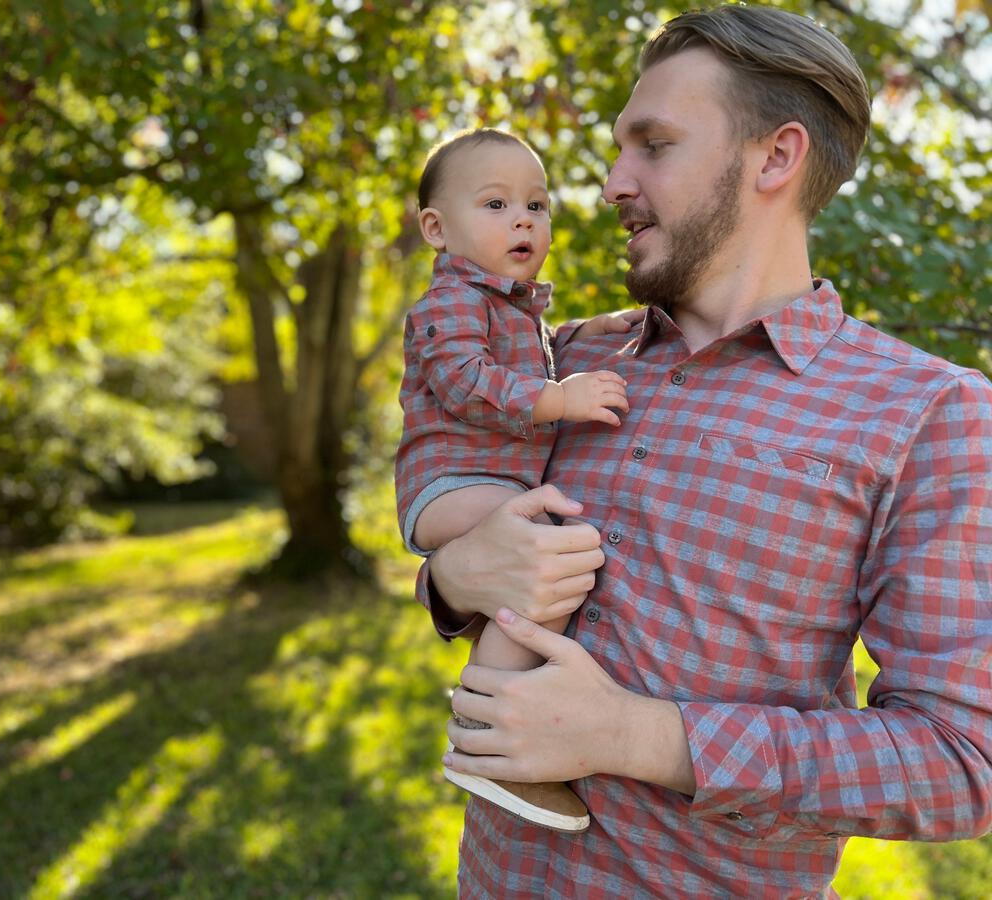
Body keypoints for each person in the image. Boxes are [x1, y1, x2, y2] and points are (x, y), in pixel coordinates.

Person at [402, 5, 992, 897]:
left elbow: (962, 762)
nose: (610, 184)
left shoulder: (927, 412)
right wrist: (453, 578)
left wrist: (635, 736)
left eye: (653, 145)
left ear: (775, 158)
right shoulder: (566, 361)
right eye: (616, 150)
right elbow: (468, 555)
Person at [395, 128, 642, 832]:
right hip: (450, 479)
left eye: (537, 204)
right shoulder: (448, 303)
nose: (524, 219)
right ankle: (486, 734)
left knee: (545, 560)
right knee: (543, 548)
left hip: (482, 479)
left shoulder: (512, 307)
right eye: (497, 203)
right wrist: (561, 398)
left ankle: (497, 723)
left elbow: (540, 353)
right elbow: (464, 380)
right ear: (437, 229)